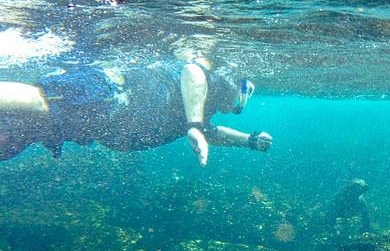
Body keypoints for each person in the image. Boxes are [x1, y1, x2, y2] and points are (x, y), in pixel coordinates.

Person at [0, 58, 272, 164]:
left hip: (101, 118)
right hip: (112, 95)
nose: (234, 109)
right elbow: (193, 70)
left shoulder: (201, 109)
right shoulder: (218, 89)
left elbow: (213, 134)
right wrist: (195, 126)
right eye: (240, 102)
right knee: (39, 101)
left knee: (17, 133)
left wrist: (248, 140)